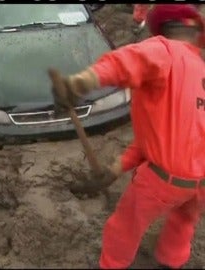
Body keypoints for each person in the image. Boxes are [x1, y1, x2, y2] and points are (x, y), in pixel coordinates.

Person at [52, 4, 205, 269]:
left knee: (124, 226)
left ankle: (112, 265)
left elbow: (125, 62)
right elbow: (159, 138)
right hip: (200, 181)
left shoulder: (165, 50)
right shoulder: (200, 69)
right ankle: (172, 262)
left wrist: (82, 81)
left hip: (163, 179)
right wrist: (115, 169)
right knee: (183, 221)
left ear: (160, 31)